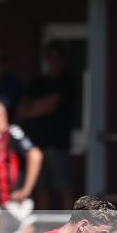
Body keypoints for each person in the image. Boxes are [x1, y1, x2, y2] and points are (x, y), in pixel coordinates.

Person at [17, 41, 75, 210]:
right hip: (36, 143)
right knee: (40, 186)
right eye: (49, 56)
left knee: (63, 185)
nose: (53, 60)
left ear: (63, 60)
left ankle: (69, 221)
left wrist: (34, 108)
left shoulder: (67, 81)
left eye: (57, 57)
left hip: (58, 143)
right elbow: (22, 107)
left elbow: (50, 105)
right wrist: (36, 107)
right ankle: (44, 222)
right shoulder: (38, 81)